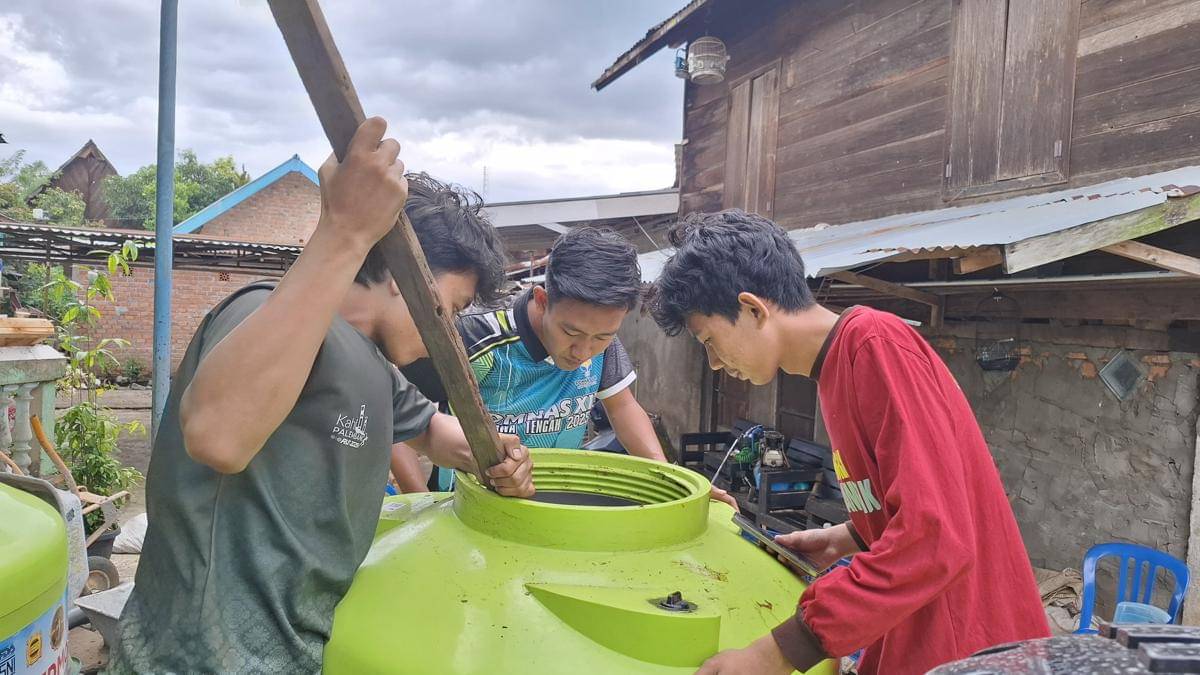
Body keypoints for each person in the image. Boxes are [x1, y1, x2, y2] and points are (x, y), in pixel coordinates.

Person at [110, 118, 535, 675]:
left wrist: (496, 454)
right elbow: (218, 437)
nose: (448, 332)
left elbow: (431, 431)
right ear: (401, 275)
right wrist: (347, 230)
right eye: (450, 309)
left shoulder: (371, 365)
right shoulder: (269, 314)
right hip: (201, 654)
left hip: (291, 646)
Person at [647, 209, 1050, 675]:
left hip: (963, 644)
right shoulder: (837, 369)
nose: (715, 363)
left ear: (753, 309)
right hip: (914, 635)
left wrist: (776, 652)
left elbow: (935, 535)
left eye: (710, 340)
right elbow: (908, 498)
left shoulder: (875, 346)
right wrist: (850, 537)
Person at [391, 227, 736, 509]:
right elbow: (398, 419)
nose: (584, 352)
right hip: (468, 504)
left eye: (603, 336)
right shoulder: (477, 338)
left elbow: (624, 407)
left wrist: (672, 486)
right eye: (571, 332)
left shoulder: (601, 343)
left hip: (557, 502)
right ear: (542, 301)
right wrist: (419, 498)